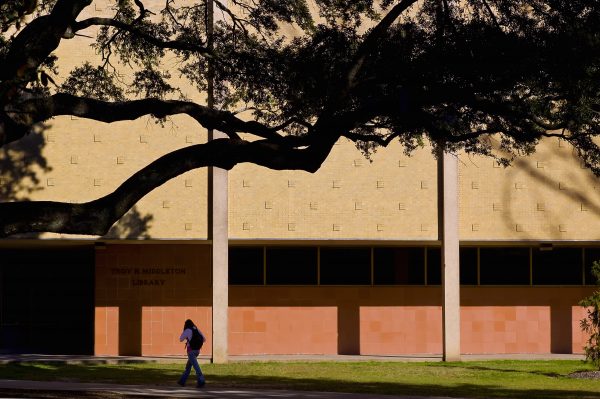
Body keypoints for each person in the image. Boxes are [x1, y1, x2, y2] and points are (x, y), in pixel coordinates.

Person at [177, 319, 206, 388]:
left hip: (191, 351)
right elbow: (204, 339)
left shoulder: (187, 330)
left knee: (196, 367)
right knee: (188, 367)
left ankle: (201, 381)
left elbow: (180, 339)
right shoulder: (196, 329)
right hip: (197, 351)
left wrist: (187, 336)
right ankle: (182, 381)